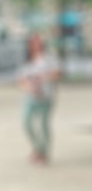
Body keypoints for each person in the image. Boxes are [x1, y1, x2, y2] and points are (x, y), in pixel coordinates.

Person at [19, 33, 61, 164]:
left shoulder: (50, 58)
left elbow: (58, 73)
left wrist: (42, 78)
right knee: (26, 123)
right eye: (33, 42)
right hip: (31, 96)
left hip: (46, 96)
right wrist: (29, 87)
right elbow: (21, 79)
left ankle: (44, 152)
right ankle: (37, 148)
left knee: (43, 125)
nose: (36, 45)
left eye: (38, 42)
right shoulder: (27, 60)